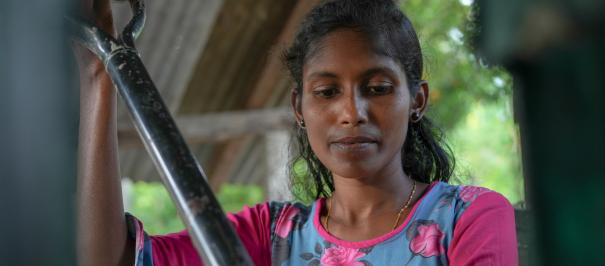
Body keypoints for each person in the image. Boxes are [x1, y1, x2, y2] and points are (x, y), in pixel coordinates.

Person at [74, 0, 518, 265]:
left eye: (378, 88)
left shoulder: (469, 217)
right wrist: (99, 75)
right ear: (299, 108)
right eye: (326, 92)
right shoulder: (272, 236)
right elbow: (111, 260)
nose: (351, 112)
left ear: (416, 100)